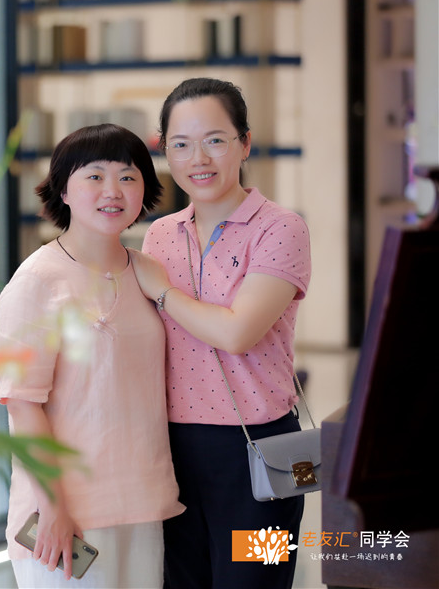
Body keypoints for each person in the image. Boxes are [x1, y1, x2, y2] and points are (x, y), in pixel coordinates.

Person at [133, 77, 312, 588]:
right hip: (172, 449)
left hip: (264, 452)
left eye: (215, 140)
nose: (198, 159)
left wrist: (161, 290)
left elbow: (238, 334)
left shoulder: (281, 228)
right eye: (180, 144)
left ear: (245, 143)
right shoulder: (162, 233)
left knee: (257, 580)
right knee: (182, 580)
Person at [0, 123, 185, 588]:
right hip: (68, 514)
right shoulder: (38, 280)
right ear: (63, 189)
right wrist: (53, 507)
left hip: (144, 503)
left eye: (128, 176)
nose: (113, 190)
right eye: (94, 176)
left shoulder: (149, 271)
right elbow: (22, 404)